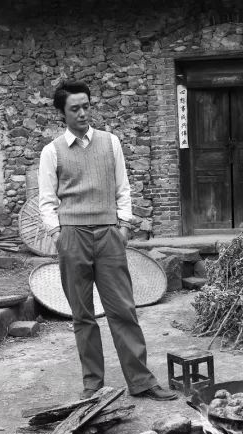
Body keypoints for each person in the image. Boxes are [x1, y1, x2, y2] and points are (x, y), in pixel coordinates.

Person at [38, 80, 177, 402]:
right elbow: (46, 201)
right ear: (62, 113)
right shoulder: (52, 151)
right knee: (82, 315)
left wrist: (124, 226)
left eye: (86, 106)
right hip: (72, 237)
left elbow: (122, 189)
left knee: (123, 309)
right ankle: (93, 385)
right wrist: (58, 235)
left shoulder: (110, 143)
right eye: (75, 109)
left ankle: (141, 381)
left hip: (109, 236)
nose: (83, 113)